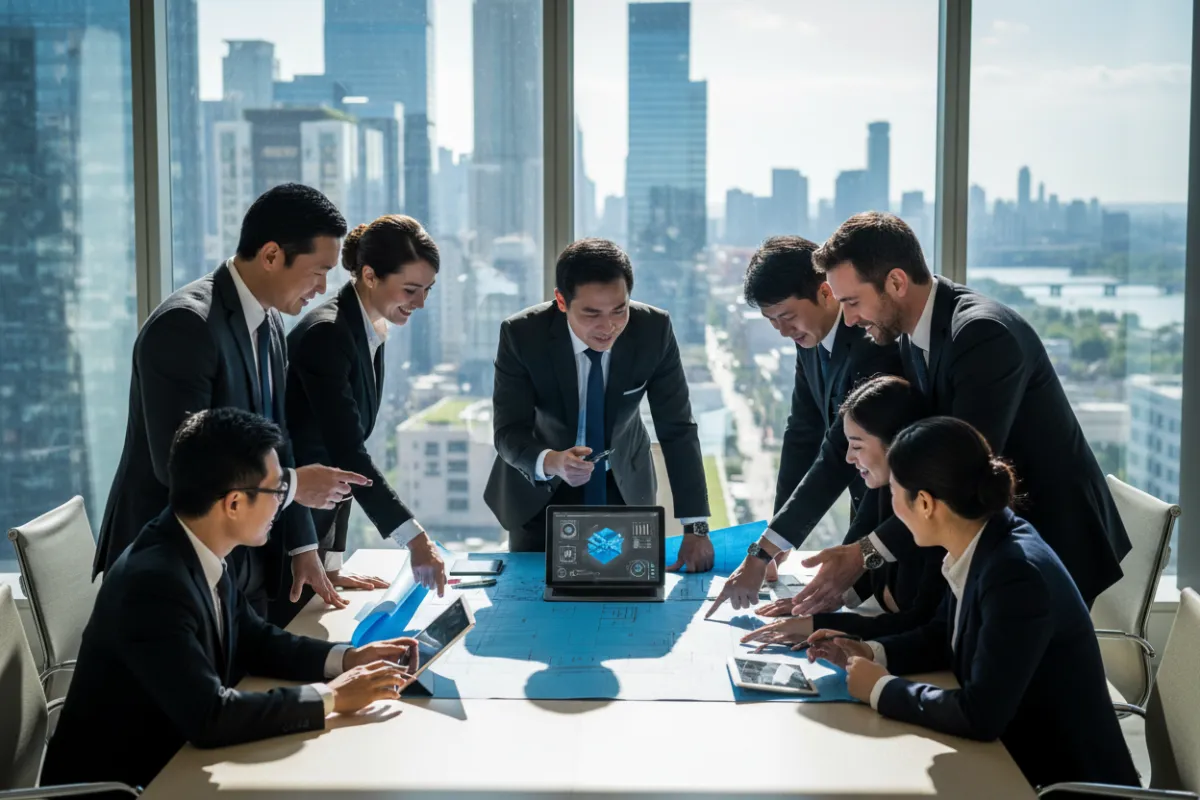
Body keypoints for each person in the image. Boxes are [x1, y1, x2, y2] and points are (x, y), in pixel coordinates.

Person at [710, 212, 1129, 617]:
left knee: (1021, 685)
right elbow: (834, 444)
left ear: (895, 282)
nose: (851, 319)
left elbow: (955, 471)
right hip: (997, 539)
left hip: (1050, 535)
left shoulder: (982, 335)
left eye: (853, 302)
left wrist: (863, 557)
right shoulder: (912, 335)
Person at [42, 409, 421, 793]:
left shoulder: (191, 544)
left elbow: (254, 640)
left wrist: (347, 658)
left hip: (174, 763)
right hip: (129, 785)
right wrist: (334, 697)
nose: (283, 505)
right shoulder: (154, 584)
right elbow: (210, 717)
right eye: (277, 492)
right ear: (234, 503)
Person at [801, 417, 1140, 793]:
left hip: (1055, 782)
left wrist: (882, 689)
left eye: (894, 492)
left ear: (926, 503)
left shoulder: (1015, 573)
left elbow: (981, 715)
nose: (890, 507)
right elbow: (941, 636)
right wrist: (870, 651)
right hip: (1013, 760)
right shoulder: (988, 541)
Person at [94, 183, 369, 617]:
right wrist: (294, 486)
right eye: (318, 271)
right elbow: (181, 466)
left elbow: (276, 439)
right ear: (272, 255)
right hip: (168, 571)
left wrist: (303, 547)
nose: (322, 288)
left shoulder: (271, 320)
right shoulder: (187, 325)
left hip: (236, 563)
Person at [484, 238, 713, 568]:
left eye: (619, 310)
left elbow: (677, 427)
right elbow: (508, 431)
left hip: (621, 486)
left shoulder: (653, 329)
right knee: (536, 602)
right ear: (561, 301)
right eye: (591, 313)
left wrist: (696, 527)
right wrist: (552, 461)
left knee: (627, 601)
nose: (608, 327)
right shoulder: (522, 335)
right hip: (540, 490)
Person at [282, 215, 447, 624]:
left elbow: (341, 463)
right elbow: (346, 454)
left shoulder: (368, 328)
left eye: (427, 290)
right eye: (410, 289)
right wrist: (416, 540)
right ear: (370, 275)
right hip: (286, 530)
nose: (421, 302)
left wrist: (334, 561)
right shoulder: (328, 334)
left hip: (316, 533)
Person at [741, 235, 902, 581]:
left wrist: (766, 549)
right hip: (864, 510)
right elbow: (802, 432)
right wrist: (777, 539)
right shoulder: (811, 341)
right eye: (772, 321)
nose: (783, 331)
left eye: (787, 316)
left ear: (825, 292)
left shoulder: (871, 348)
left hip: (894, 520)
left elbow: (836, 457)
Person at [743, 375, 943, 647]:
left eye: (857, 445)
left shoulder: (934, 523)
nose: (848, 457)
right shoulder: (884, 491)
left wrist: (819, 625)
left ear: (896, 443)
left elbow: (921, 623)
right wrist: (819, 602)